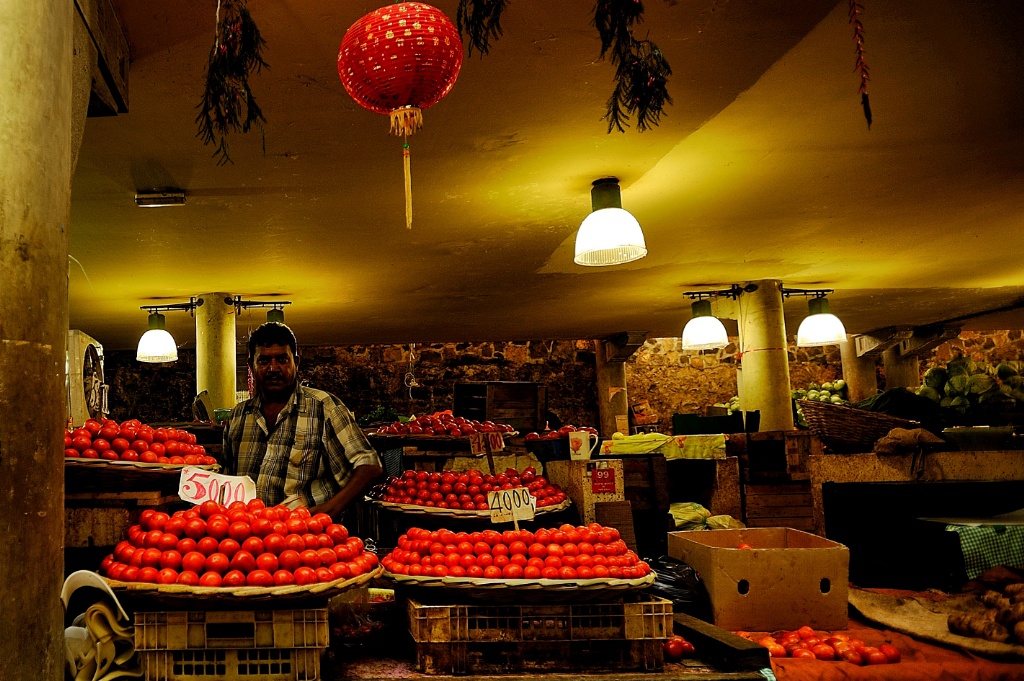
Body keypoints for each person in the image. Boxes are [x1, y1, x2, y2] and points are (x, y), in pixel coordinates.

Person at [222, 322, 382, 520]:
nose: (273, 368)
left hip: (305, 537)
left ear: (296, 362)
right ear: (251, 365)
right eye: (264, 361)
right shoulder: (238, 416)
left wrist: (331, 508)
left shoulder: (324, 408)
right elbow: (227, 479)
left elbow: (369, 466)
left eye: (282, 359)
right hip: (248, 537)